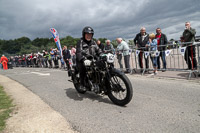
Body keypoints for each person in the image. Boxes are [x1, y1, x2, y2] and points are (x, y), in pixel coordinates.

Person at [76, 26, 101, 90]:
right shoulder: (80, 42)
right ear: (84, 34)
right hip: (82, 60)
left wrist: (102, 54)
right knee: (83, 68)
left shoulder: (93, 42)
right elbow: (78, 52)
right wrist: (83, 59)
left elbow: (98, 50)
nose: (89, 36)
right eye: (87, 34)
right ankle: (82, 84)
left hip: (92, 59)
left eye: (90, 34)